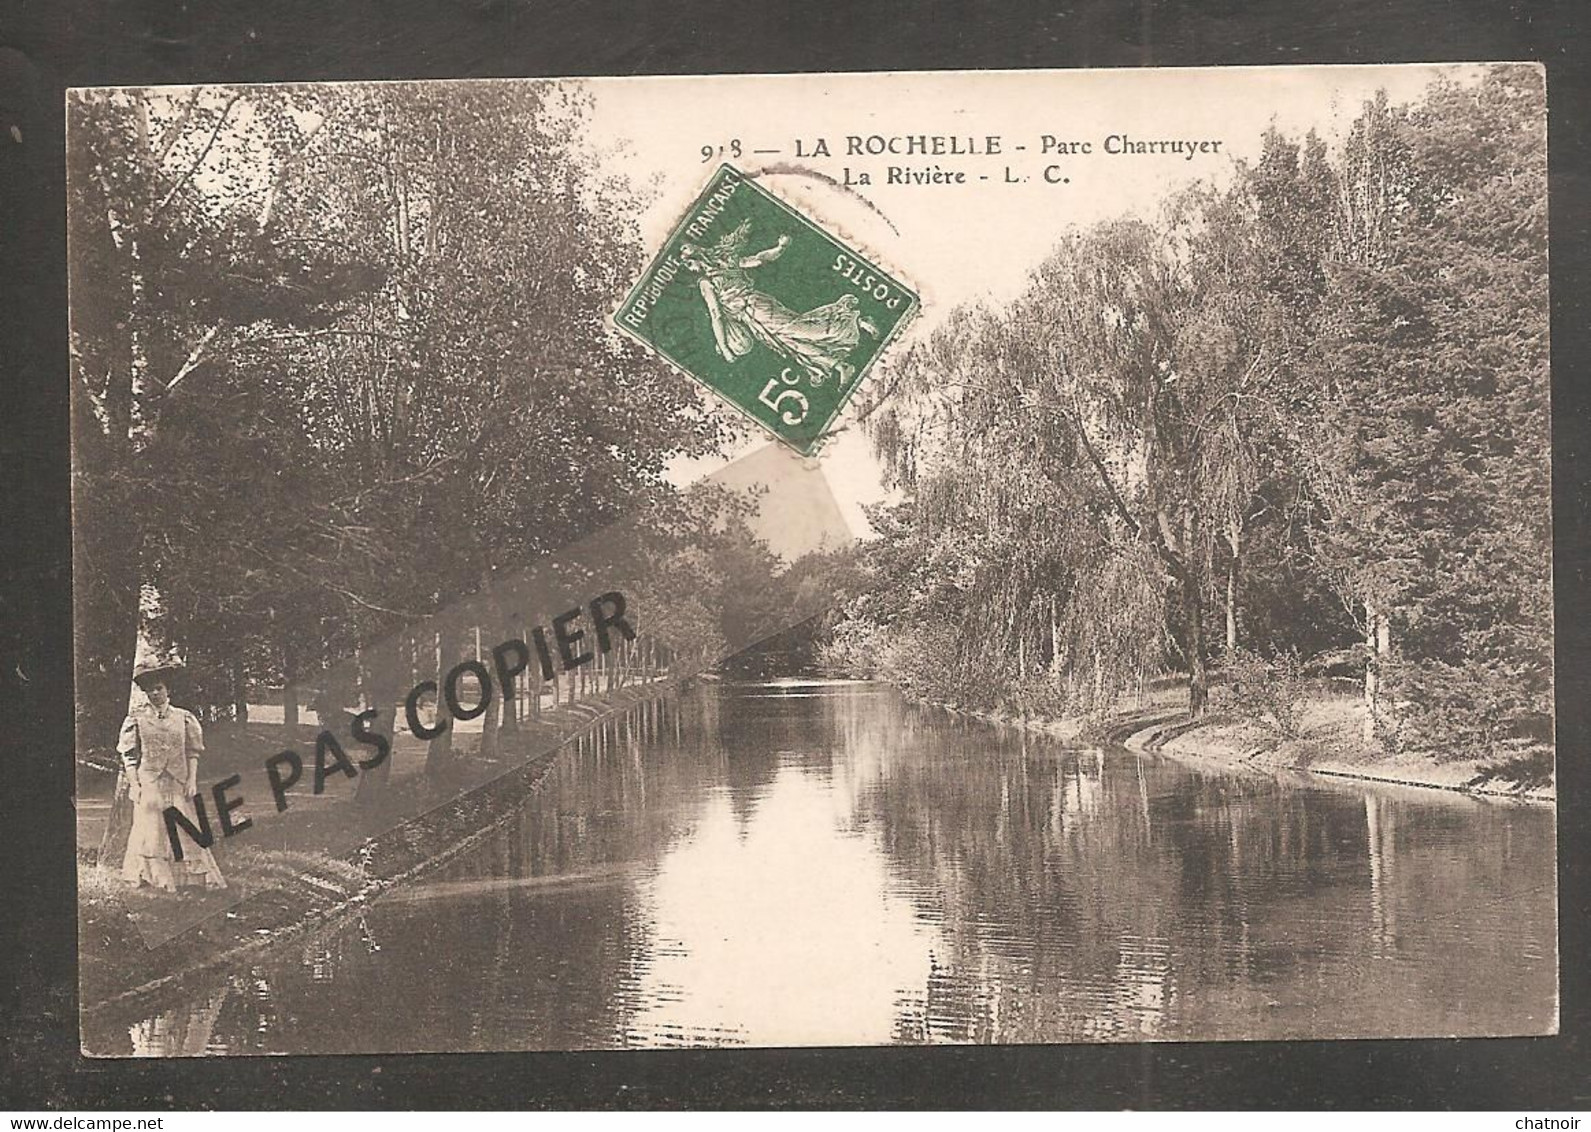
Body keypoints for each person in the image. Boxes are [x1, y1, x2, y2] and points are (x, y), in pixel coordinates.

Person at [680, 221, 879, 387]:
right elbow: (758, 260)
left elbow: (716, 314)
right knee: (791, 343)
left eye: (688, 263)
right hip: (754, 316)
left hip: (757, 309)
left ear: (698, 258)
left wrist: (724, 347)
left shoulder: (707, 282)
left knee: (801, 330)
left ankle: (856, 320)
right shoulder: (727, 262)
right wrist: (780, 248)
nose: (689, 268)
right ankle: (840, 366)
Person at [117, 659, 226, 892]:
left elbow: (193, 752)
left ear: (168, 690)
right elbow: (129, 756)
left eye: (159, 688)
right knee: (151, 828)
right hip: (150, 781)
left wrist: (192, 780)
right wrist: (135, 785)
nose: (155, 693)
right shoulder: (136, 719)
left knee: (184, 827)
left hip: (178, 780)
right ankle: (156, 877)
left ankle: (188, 879)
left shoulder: (183, 718)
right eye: (150, 690)